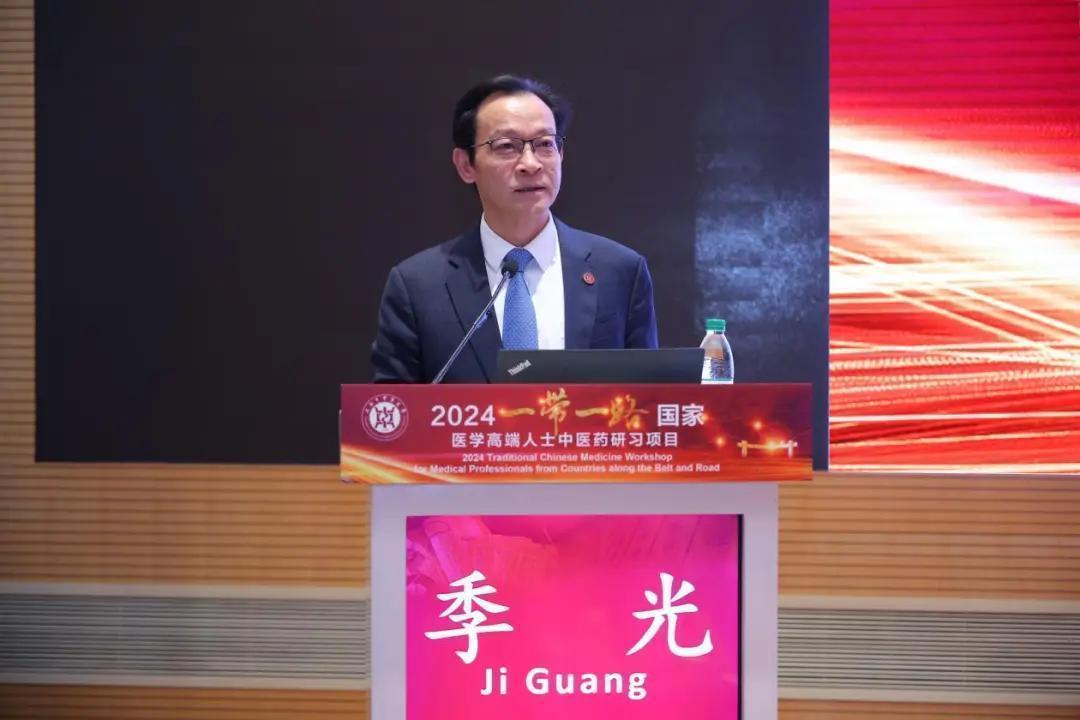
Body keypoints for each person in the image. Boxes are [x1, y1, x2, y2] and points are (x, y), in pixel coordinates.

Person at [371, 75, 658, 383]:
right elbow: (392, 406)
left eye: (545, 144)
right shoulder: (418, 286)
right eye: (507, 146)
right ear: (466, 165)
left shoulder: (620, 272)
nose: (530, 164)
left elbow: (649, 396)